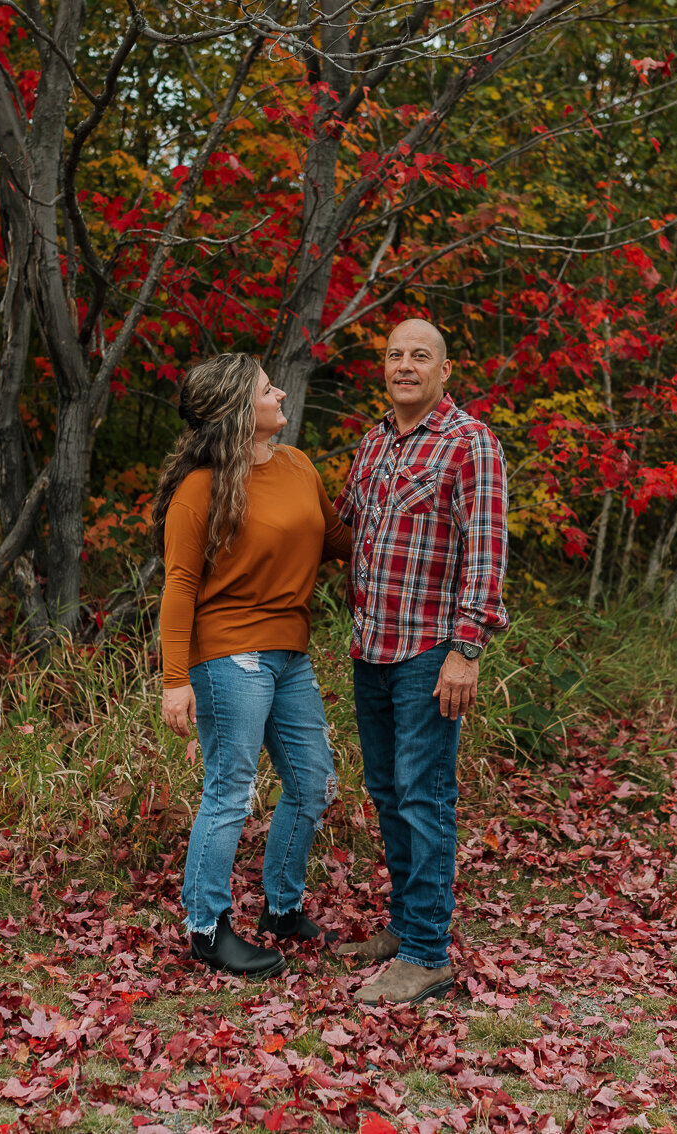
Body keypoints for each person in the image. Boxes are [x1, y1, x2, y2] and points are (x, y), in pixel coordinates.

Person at [153, 352, 351, 981]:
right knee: (231, 792)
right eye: (269, 389)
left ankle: (282, 910)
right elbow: (180, 585)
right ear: (241, 410)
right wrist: (174, 679)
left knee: (313, 782)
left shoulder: (297, 467)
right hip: (228, 654)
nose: (282, 393)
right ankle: (206, 929)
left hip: (289, 655)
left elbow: (340, 541)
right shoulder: (201, 488)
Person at [333, 318, 508, 1005]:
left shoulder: (470, 445)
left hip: (430, 651)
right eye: (395, 355)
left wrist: (466, 651)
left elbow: (486, 555)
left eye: (419, 356)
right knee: (386, 793)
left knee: (423, 795)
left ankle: (428, 955)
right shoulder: (375, 442)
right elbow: (338, 528)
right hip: (370, 647)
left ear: (445, 370)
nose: (405, 366)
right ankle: (406, 928)